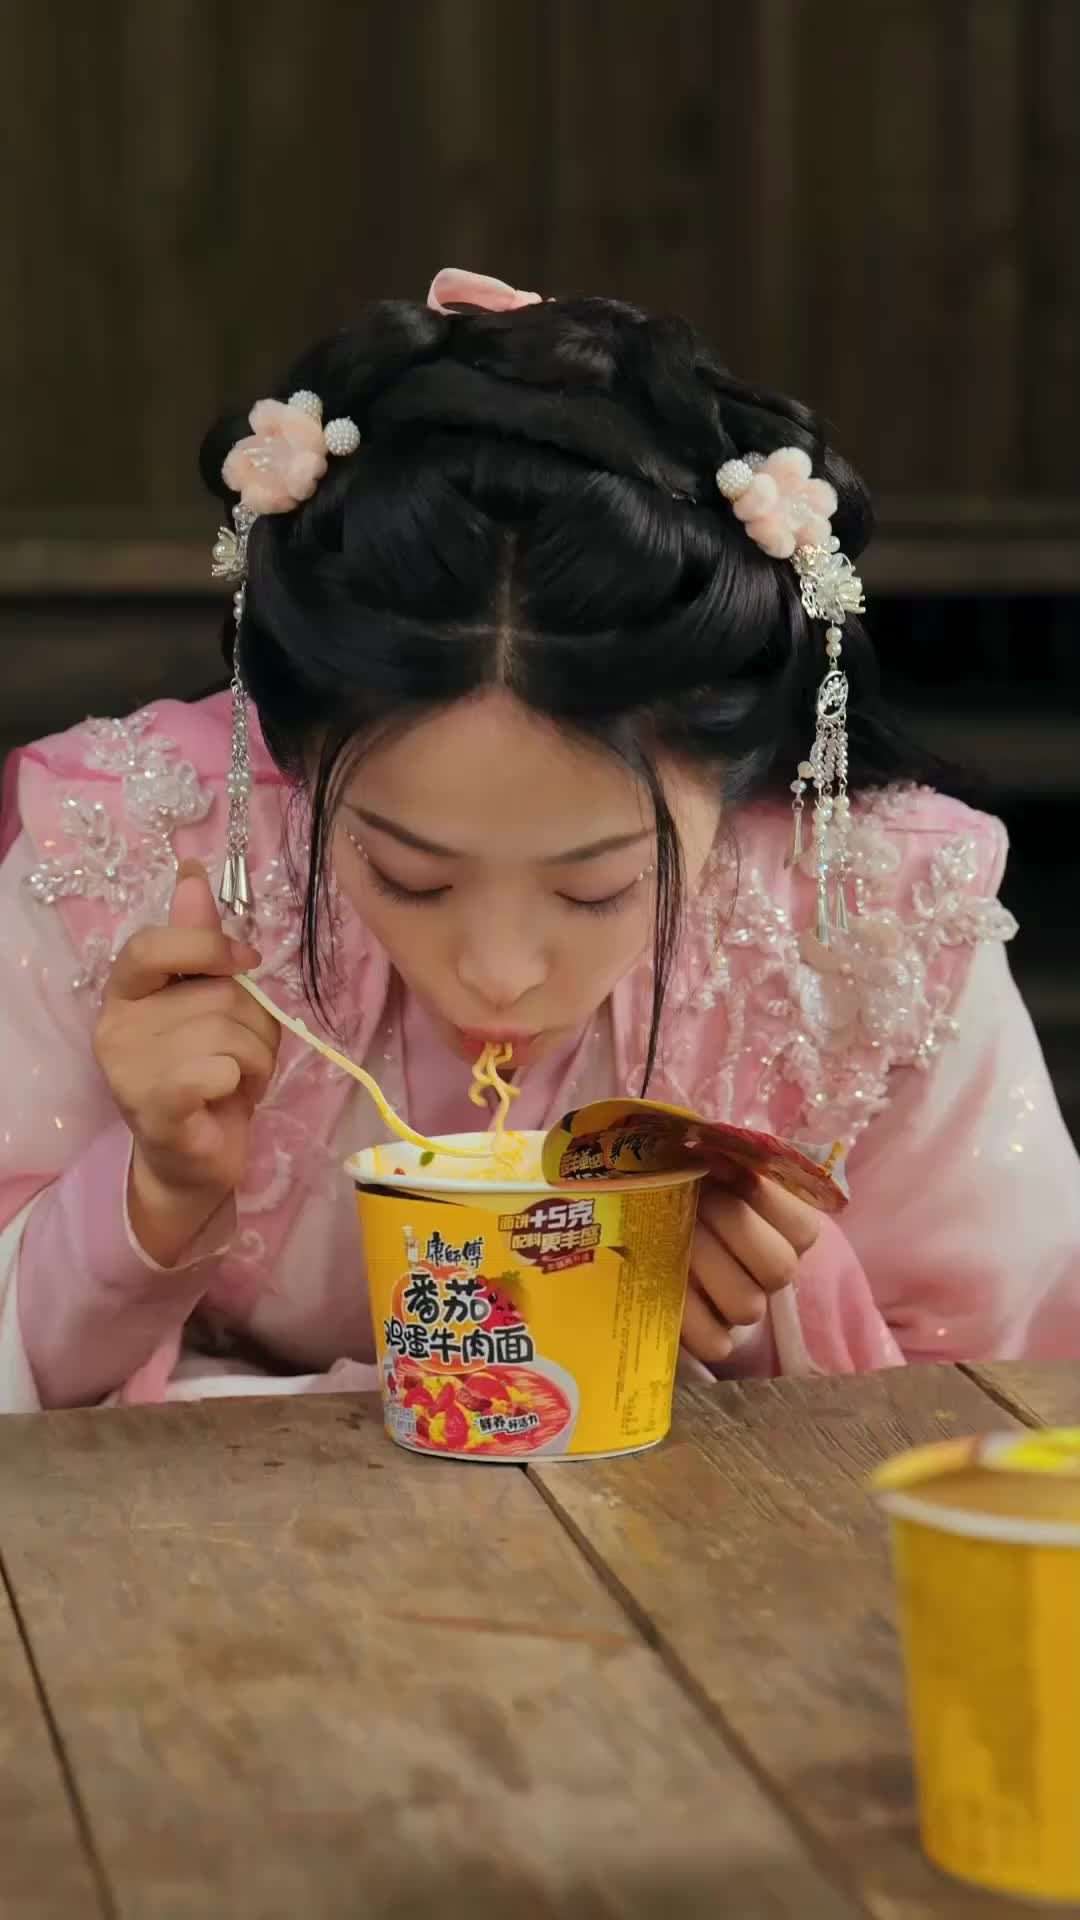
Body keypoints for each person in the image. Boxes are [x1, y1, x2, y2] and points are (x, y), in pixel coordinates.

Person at [1, 267, 1077, 1413]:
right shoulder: (142, 847)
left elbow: (1019, 1394)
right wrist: (151, 1201)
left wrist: (779, 1308)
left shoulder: (874, 910)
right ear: (294, 758)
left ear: (738, 781)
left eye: (596, 890)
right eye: (410, 875)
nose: (499, 971)